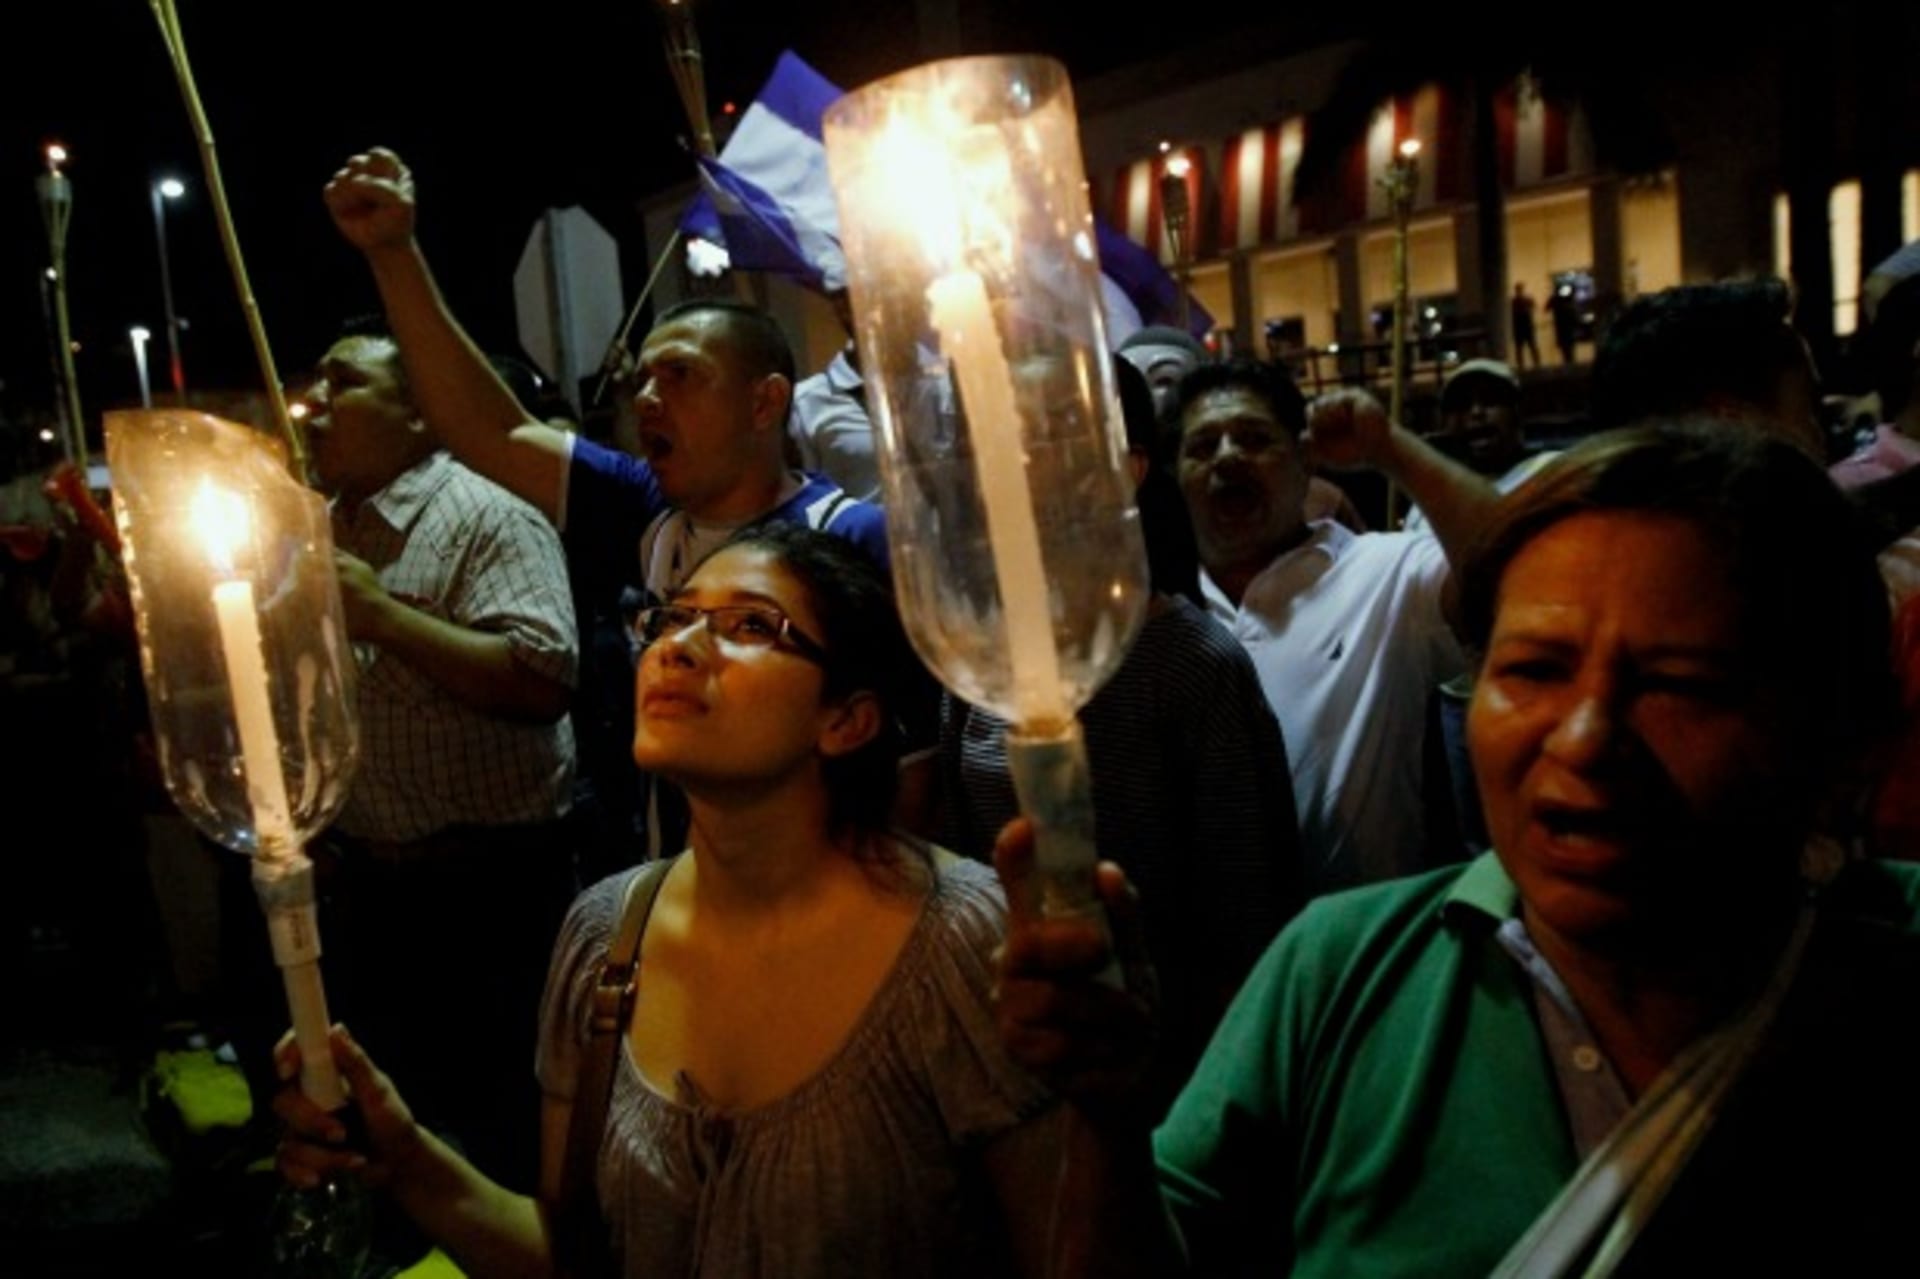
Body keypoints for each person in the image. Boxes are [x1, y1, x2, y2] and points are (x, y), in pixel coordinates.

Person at [995, 421, 1920, 1275]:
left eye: (1678, 684)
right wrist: (1107, 1112)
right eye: (1533, 670)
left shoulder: (1884, 966)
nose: (1586, 737)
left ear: (1845, 744)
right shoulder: (1339, 971)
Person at [277, 526, 1070, 1278]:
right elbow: (573, 1255)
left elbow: (1073, 1251)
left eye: (751, 624)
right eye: (670, 617)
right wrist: (408, 1159)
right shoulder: (607, 935)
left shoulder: (961, 940)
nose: (678, 647)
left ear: (846, 719)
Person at [939, 359, 1300, 1101]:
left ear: (1128, 469)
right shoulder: (975, 655)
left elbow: (1248, 918)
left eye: (1048, 436)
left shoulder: (1192, 664)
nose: (1014, 463)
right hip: (1005, 1055)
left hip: (1168, 1073)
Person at [302, 321, 580, 1187]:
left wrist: (386, 617)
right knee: (396, 1124)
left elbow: (542, 680)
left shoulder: (486, 514)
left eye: (342, 385)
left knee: (503, 1132)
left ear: (420, 414)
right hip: (372, 889)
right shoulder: (324, 526)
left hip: (487, 895)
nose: (311, 408)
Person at [1173, 361, 1497, 890]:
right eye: (1203, 447)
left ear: (1305, 460)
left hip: (1363, 951)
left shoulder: (1387, 574)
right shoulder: (1158, 609)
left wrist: (1393, 452)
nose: (1228, 456)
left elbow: (1520, 561)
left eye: (1254, 438)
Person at [1510, 282, 1540, 370]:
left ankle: (1532, 365)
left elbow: (1534, 307)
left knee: (1525, 347)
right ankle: (1534, 365)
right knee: (1526, 347)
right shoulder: (1521, 300)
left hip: (1522, 327)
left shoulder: (1516, 301)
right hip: (1523, 327)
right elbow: (1534, 307)